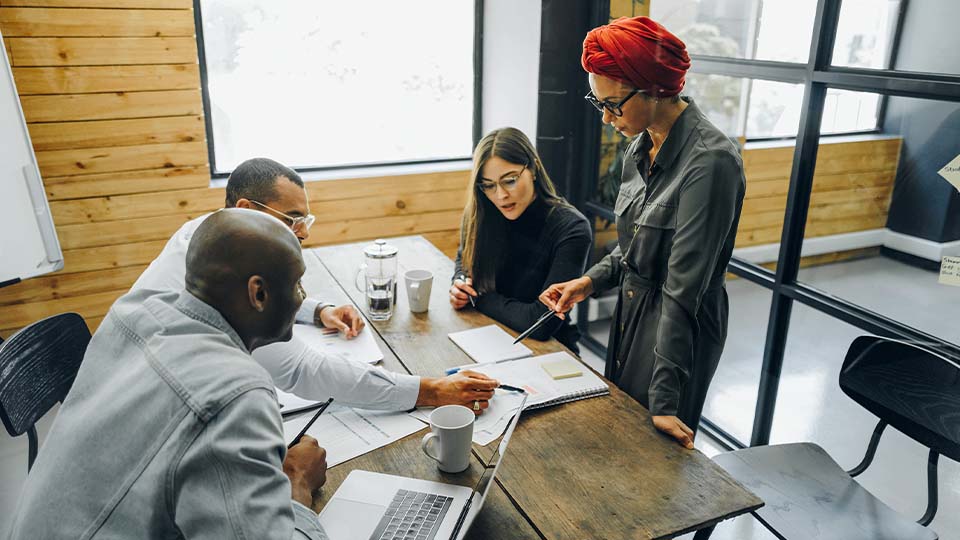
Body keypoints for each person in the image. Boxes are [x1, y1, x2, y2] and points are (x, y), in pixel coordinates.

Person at [8, 209, 329, 538]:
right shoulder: (236, 395)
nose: (301, 296)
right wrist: (297, 485)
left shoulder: (135, 310)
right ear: (258, 294)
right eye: (297, 285)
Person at [134, 158, 499, 414]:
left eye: (305, 218)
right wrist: (432, 391)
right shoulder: (230, 273)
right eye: (293, 219)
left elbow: (260, 298)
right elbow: (301, 370)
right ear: (247, 207)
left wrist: (317, 310)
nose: (305, 232)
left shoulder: (205, 232)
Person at [540, 17, 746, 448]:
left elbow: (683, 289)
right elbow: (636, 247)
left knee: (653, 452)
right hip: (634, 310)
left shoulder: (710, 163)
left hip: (678, 328)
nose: (605, 118)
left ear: (655, 88)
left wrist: (666, 398)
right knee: (618, 438)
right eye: (598, 105)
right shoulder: (640, 145)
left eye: (612, 105)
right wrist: (589, 281)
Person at [449, 128, 592, 353]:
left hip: (549, 351)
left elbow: (542, 322)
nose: (500, 195)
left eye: (510, 180)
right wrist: (460, 284)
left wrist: (478, 298)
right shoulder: (481, 211)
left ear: (533, 168)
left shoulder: (572, 228)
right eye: (488, 185)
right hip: (486, 335)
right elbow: (464, 259)